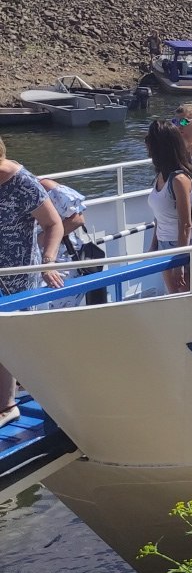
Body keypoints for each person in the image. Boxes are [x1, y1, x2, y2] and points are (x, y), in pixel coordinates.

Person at [0, 137, 64, 425]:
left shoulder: (22, 183)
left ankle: (7, 405)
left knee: (9, 335)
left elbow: (53, 224)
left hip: (17, 273)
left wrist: (48, 263)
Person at [145, 120, 192, 295]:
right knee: (172, 295)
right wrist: (154, 245)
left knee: (186, 297)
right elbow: (159, 217)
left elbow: (186, 224)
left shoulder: (179, 180)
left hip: (180, 245)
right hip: (164, 243)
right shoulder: (161, 175)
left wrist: (180, 263)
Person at [35, 177, 88, 309]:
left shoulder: (43, 187)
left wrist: (38, 241)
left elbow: (77, 219)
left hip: (61, 263)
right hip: (30, 266)